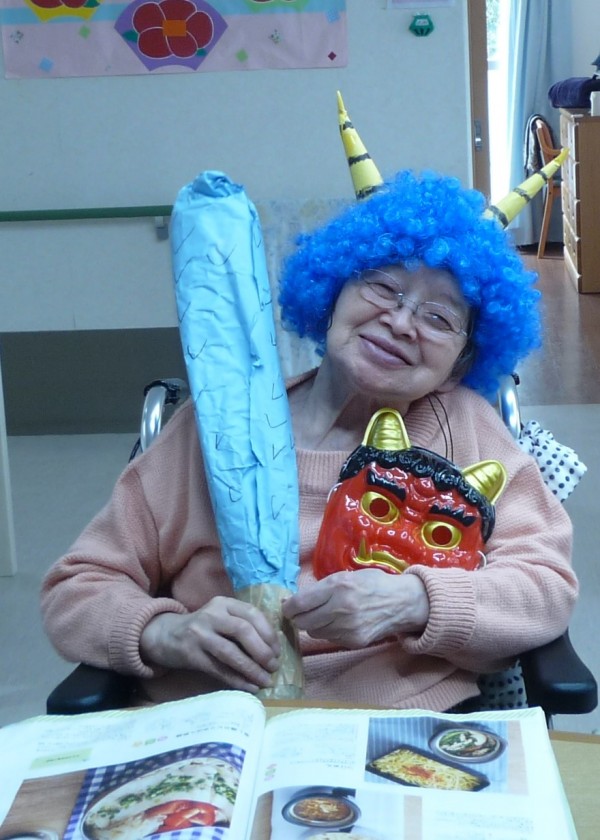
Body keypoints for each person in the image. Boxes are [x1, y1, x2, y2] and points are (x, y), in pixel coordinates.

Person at [41, 170, 577, 713]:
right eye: (383, 287)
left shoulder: (467, 428)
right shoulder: (212, 426)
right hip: (216, 721)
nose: (400, 322)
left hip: (401, 724)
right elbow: (77, 588)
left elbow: (545, 586)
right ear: (333, 292)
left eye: (439, 317)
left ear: (461, 361)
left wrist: (415, 601)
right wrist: (163, 633)